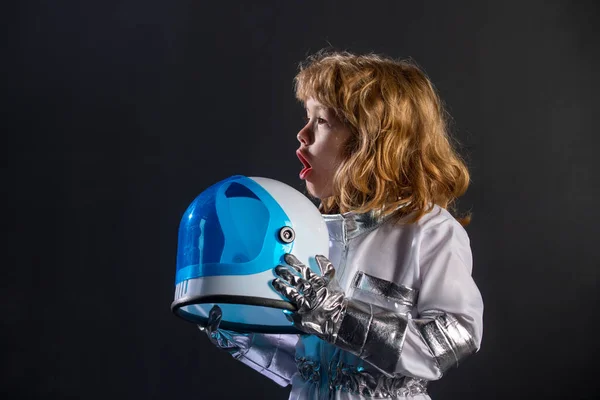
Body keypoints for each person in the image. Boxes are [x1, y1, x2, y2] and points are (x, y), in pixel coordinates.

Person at [199, 50, 484, 399]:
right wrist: (244, 333)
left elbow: (454, 337)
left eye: (321, 120)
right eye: (307, 118)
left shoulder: (428, 230)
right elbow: (311, 368)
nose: (302, 134)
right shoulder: (312, 231)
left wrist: (338, 316)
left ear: (374, 139)